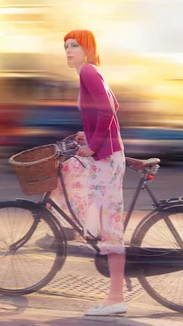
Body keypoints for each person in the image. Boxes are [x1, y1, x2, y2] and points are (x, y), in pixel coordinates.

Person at [56, 29, 127, 316]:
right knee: (72, 174)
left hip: (107, 158)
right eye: (65, 46)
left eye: (74, 45)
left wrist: (94, 144)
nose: (69, 50)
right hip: (107, 155)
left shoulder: (87, 71)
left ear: (87, 48)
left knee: (110, 227)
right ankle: (80, 230)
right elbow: (111, 107)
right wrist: (86, 136)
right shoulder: (92, 72)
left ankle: (115, 298)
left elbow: (109, 110)